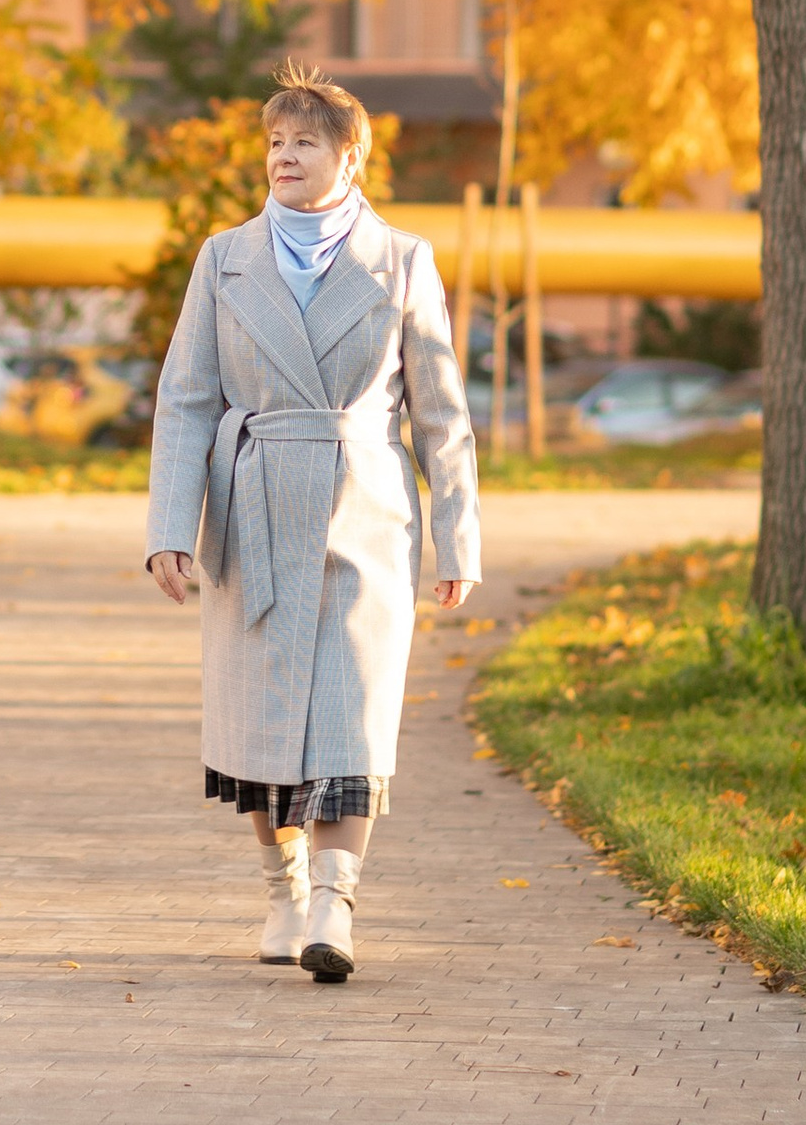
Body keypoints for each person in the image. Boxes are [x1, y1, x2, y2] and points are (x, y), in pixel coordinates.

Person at [145, 59, 481, 984]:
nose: (283, 158)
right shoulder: (224, 257)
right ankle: (283, 885)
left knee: (350, 710)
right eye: (275, 143)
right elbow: (184, 399)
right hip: (249, 508)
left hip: (363, 508)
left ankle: (337, 901)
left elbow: (441, 412)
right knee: (260, 720)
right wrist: (169, 526)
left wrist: (459, 539)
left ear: (351, 156)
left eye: (304, 142)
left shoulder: (403, 260)